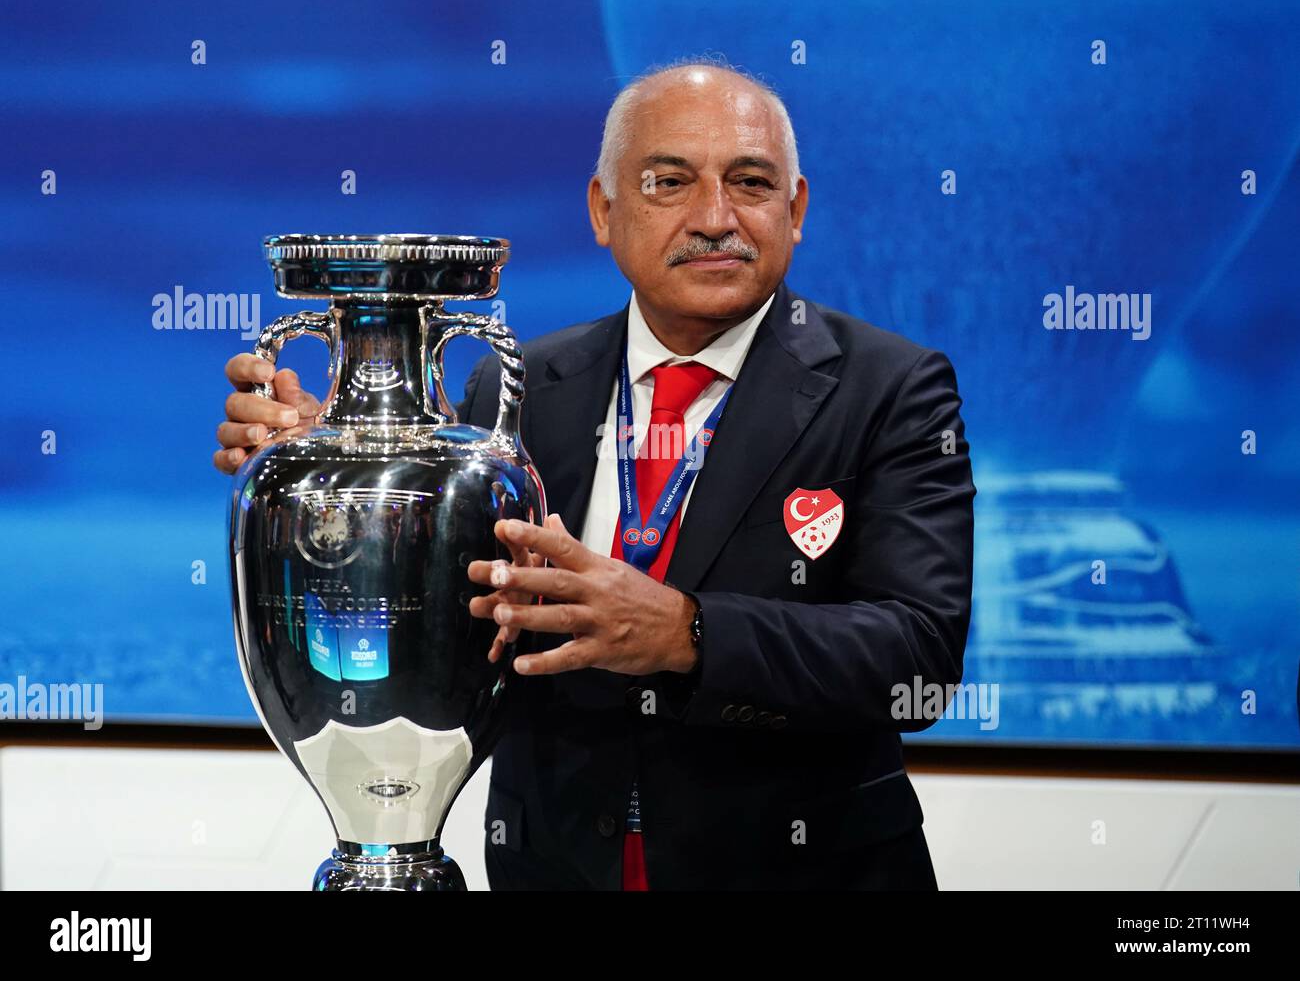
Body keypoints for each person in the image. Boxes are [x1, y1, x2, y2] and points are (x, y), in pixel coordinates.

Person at [215, 60, 975, 890]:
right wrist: (346, 484)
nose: (715, 218)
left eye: (750, 183)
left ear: (794, 212)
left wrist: (688, 634)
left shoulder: (891, 387)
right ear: (603, 211)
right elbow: (445, 630)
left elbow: (917, 660)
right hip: (558, 864)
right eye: (669, 182)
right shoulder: (515, 389)